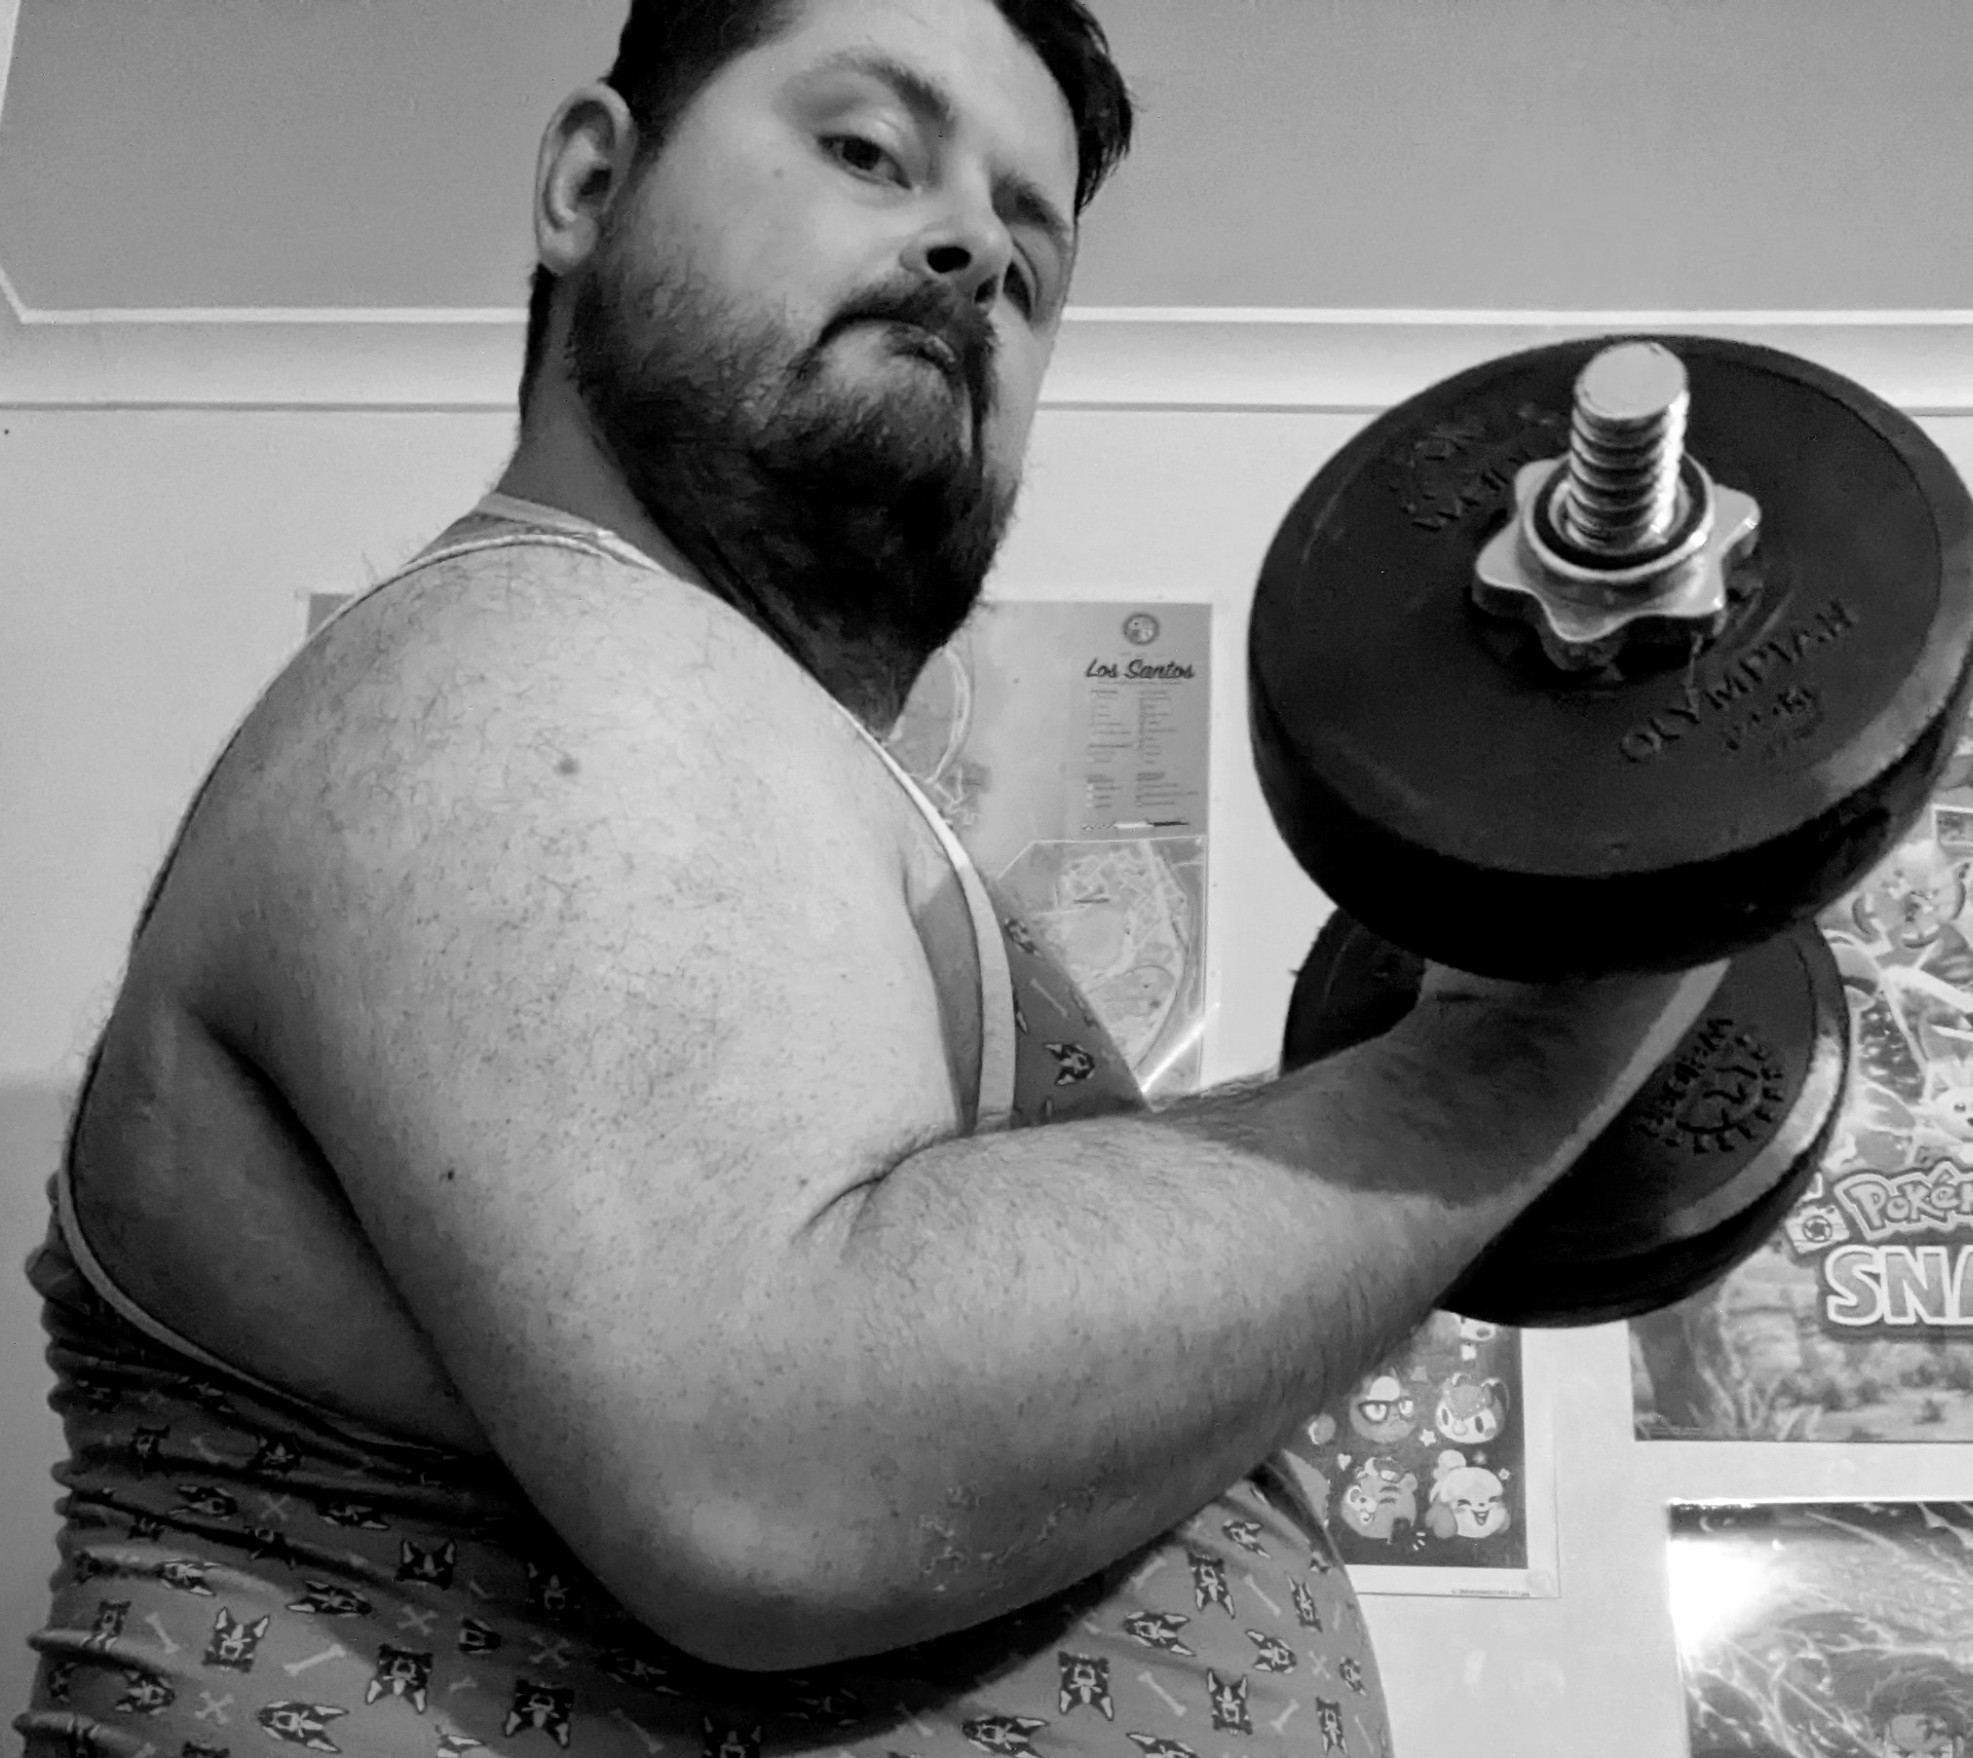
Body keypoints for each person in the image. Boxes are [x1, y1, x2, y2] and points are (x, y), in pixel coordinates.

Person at [15, 1, 1721, 1753]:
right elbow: (773, 1453)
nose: (973, 249)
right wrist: (1512, 1062)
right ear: (589, 183)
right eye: (865, 150)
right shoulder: (529, 659)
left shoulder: (716, 735)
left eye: (1032, 266)